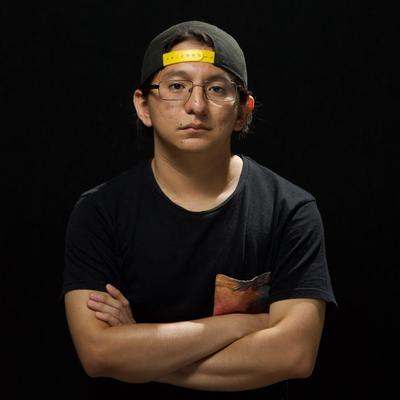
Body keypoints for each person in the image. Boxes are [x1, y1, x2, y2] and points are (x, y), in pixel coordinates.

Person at [63, 20, 337, 399]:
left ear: (243, 111)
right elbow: (99, 354)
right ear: (143, 105)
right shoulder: (99, 212)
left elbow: (294, 354)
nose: (196, 105)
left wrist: (140, 355)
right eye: (176, 86)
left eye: (217, 89)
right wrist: (240, 325)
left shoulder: (290, 209)